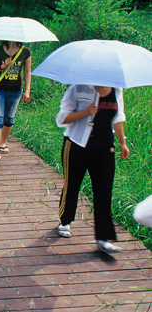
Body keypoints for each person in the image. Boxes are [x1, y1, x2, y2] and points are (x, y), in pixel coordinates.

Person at [55, 84, 129, 254]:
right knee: (72, 185)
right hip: (76, 144)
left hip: (104, 147)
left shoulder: (116, 90)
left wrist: (122, 141)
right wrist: (85, 112)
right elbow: (61, 119)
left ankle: (103, 238)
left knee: (104, 192)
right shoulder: (78, 89)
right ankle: (65, 221)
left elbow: (118, 117)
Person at [0, 41, 32, 162]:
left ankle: (2, 142)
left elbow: (27, 72)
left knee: (9, 119)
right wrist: (3, 66)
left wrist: (27, 90)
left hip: (15, 90)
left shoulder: (25, 51)